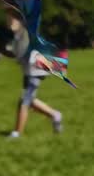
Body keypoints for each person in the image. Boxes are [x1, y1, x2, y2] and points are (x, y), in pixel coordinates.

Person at [5, 8, 63, 138]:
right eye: (7, 19)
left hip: (36, 70)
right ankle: (55, 115)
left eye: (11, 19)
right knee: (29, 101)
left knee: (24, 100)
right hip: (28, 71)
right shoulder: (17, 36)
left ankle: (17, 133)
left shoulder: (27, 32)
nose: (8, 22)